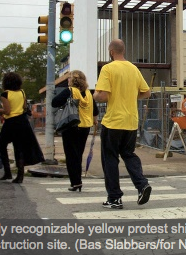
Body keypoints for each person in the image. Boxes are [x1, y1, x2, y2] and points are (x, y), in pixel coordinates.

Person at [93, 39, 152, 209]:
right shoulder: (133, 69)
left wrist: (95, 95)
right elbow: (146, 92)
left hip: (113, 122)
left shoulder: (108, 68)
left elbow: (103, 96)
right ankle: (142, 185)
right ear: (123, 50)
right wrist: (132, 97)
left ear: (111, 52)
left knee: (110, 158)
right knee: (129, 154)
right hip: (131, 121)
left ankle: (114, 197)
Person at [0, 72, 44, 183]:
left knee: (2, 144)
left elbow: (7, 111)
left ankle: (7, 172)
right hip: (23, 122)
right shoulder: (22, 92)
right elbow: (24, 107)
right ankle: (20, 175)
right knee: (19, 148)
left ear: (6, 82)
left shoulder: (5, 94)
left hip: (11, 123)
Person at [52, 70, 99, 192]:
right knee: (78, 153)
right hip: (85, 127)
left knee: (71, 155)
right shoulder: (88, 93)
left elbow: (54, 102)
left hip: (71, 126)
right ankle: (77, 180)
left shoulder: (70, 91)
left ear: (72, 80)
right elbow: (95, 111)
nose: (68, 80)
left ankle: (76, 182)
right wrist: (94, 122)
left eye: (69, 78)